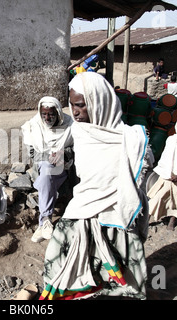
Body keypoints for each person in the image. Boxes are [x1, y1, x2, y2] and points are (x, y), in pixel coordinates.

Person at [39, 72, 153, 300]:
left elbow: (143, 172)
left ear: (99, 102)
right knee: (64, 264)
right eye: (72, 105)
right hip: (83, 209)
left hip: (115, 216)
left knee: (119, 269)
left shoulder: (129, 139)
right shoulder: (80, 133)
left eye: (81, 105)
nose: (75, 111)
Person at [21, 96, 74, 243]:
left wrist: (64, 153)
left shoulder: (70, 125)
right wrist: (49, 155)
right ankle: (45, 220)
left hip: (65, 165)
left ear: (58, 112)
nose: (47, 117)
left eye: (51, 114)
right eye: (44, 114)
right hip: (43, 165)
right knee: (46, 171)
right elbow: (32, 153)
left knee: (48, 174)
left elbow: (78, 146)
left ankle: (43, 223)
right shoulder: (34, 126)